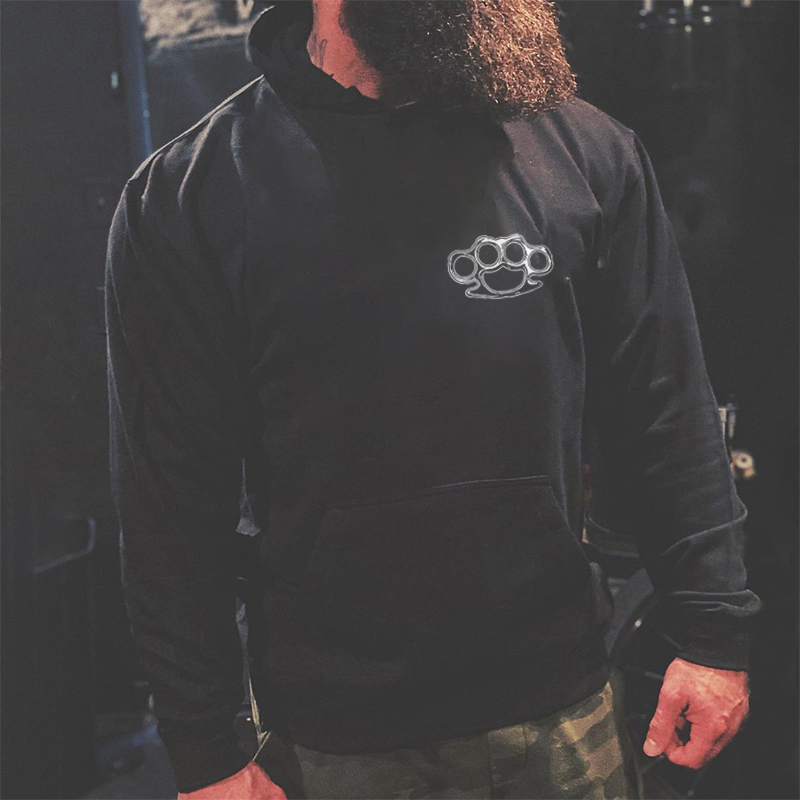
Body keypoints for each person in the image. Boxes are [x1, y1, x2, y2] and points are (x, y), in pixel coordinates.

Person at [104, 1, 762, 797]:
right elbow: (170, 498)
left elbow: (667, 410)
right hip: (334, 737)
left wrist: (712, 632)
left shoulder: (587, 153)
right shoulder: (189, 195)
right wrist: (206, 748)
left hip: (563, 711)